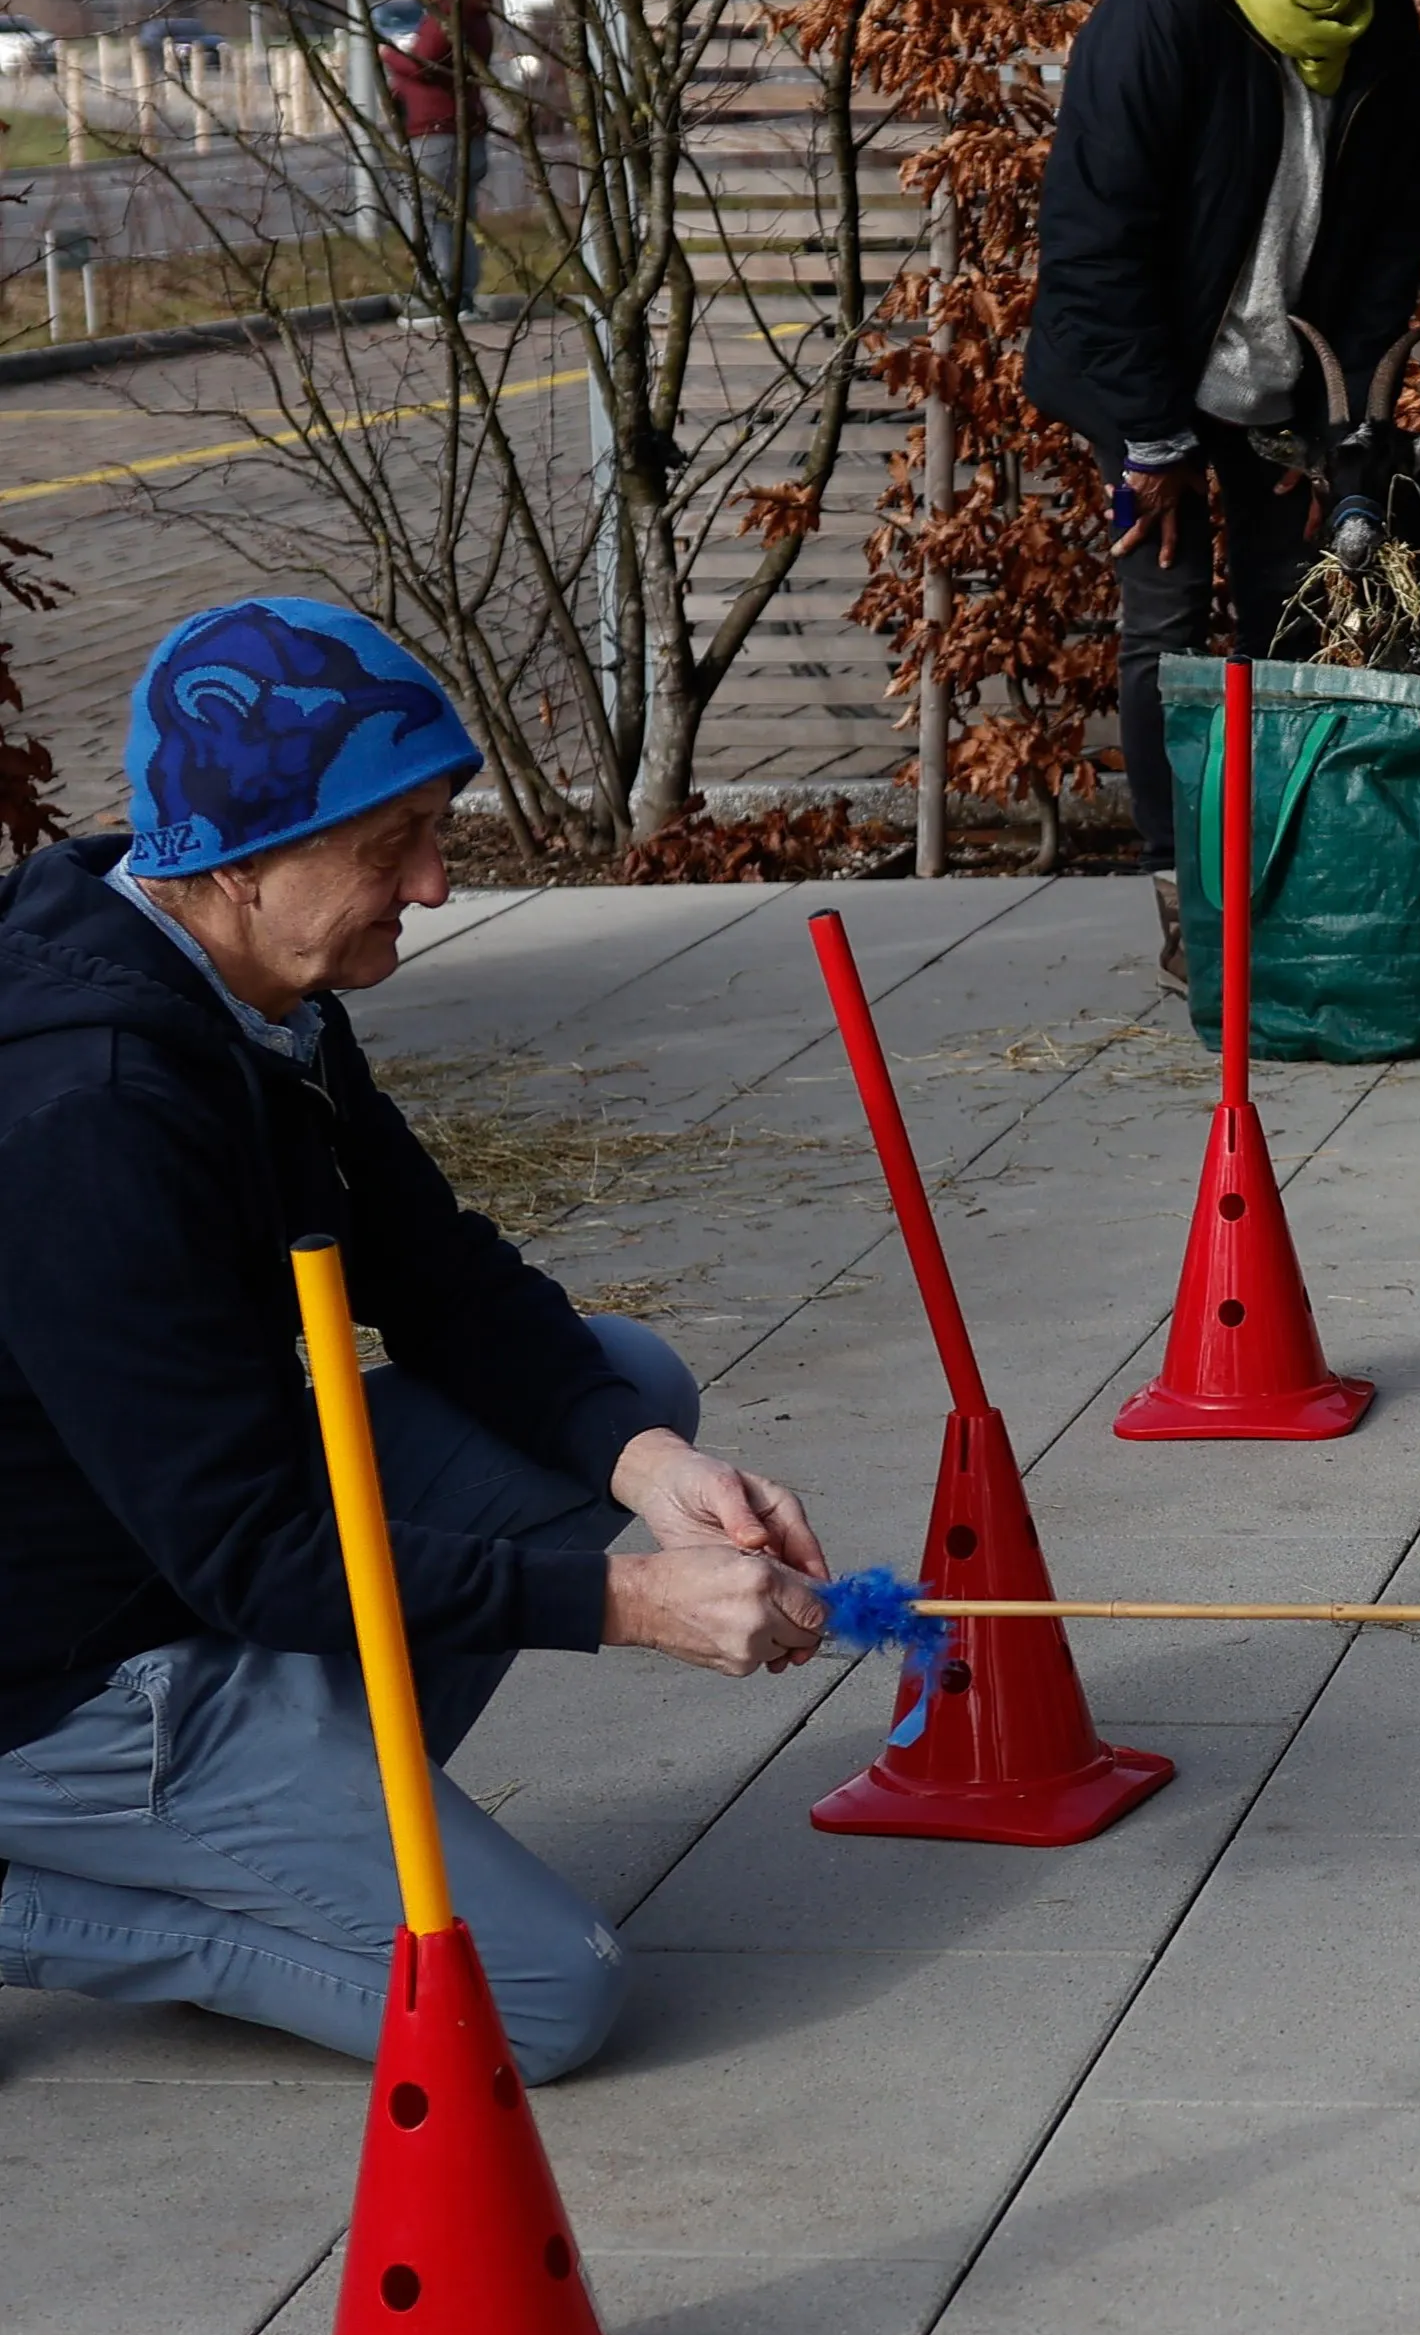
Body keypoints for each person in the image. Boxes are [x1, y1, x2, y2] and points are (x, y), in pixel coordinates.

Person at [0, 600, 830, 2081]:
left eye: (436, 828)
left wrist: (646, 1471)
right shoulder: (93, 1113)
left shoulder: (247, 985)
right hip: (65, 1672)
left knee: (623, 1385)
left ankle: (292, 1822)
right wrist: (632, 1602)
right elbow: (251, 1548)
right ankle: (101, 1884)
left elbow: (436, 1270)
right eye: (388, 847)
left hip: (183, 1554)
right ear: (232, 858)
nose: (435, 885)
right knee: (536, 2000)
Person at [1028, 0, 1420, 975]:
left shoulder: (1386, 28)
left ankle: (1277, 881)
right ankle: (1180, 898)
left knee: (1295, 623)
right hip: (1150, 385)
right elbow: (1094, 248)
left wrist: (1344, 436)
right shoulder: (1162, 18)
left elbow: (1382, 251)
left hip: (1282, 388)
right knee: (1164, 631)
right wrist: (1147, 440)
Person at [380, 0, 494, 313]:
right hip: (465, 130)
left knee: (429, 214)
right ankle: (463, 296)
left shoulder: (448, 12)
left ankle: (441, 295)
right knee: (459, 217)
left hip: (436, 133)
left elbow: (425, 62)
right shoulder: (475, 14)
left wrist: (388, 54)